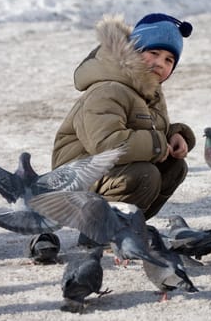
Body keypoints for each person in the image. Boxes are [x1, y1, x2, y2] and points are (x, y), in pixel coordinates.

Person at [51, 13, 196, 242]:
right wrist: (158, 144)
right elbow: (107, 143)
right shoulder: (108, 89)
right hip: (75, 177)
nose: (160, 63)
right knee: (144, 175)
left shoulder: (148, 90)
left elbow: (144, 127)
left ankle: (125, 227)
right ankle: (99, 231)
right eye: (154, 53)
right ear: (135, 51)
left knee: (174, 167)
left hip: (105, 172)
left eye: (169, 60)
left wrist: (174, 135)